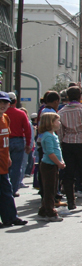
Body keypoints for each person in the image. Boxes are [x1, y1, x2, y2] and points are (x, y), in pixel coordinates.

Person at [0, 92, 28, 227]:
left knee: (7, 191)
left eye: (5, 103)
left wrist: (8, 156)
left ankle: (10, 217)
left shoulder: (5, 118)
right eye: (0, 102)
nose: (2, 105)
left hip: (3, 161)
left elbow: (6, 140)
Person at [37, 112, 66, 222]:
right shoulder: (48, 136)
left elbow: (57, 151)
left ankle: (44, 210)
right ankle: (50, 212)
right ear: (51, 123)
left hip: (53, 165)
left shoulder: (53, 135)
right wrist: (59, 163)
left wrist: (60, 161)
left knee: (52, 188)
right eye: (57, 121)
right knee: (49, 190)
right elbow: (50, 153)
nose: (59, 123)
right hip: (48, 165)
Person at [5, 92, 32, 197]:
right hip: (18, 141)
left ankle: (4, 189)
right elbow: (27, 130)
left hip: (4, 141)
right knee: (16, 167)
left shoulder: (3, 113)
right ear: (15, 101)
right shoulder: (21, 113)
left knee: (4, 167)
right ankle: (13, 189)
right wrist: (28, 144)